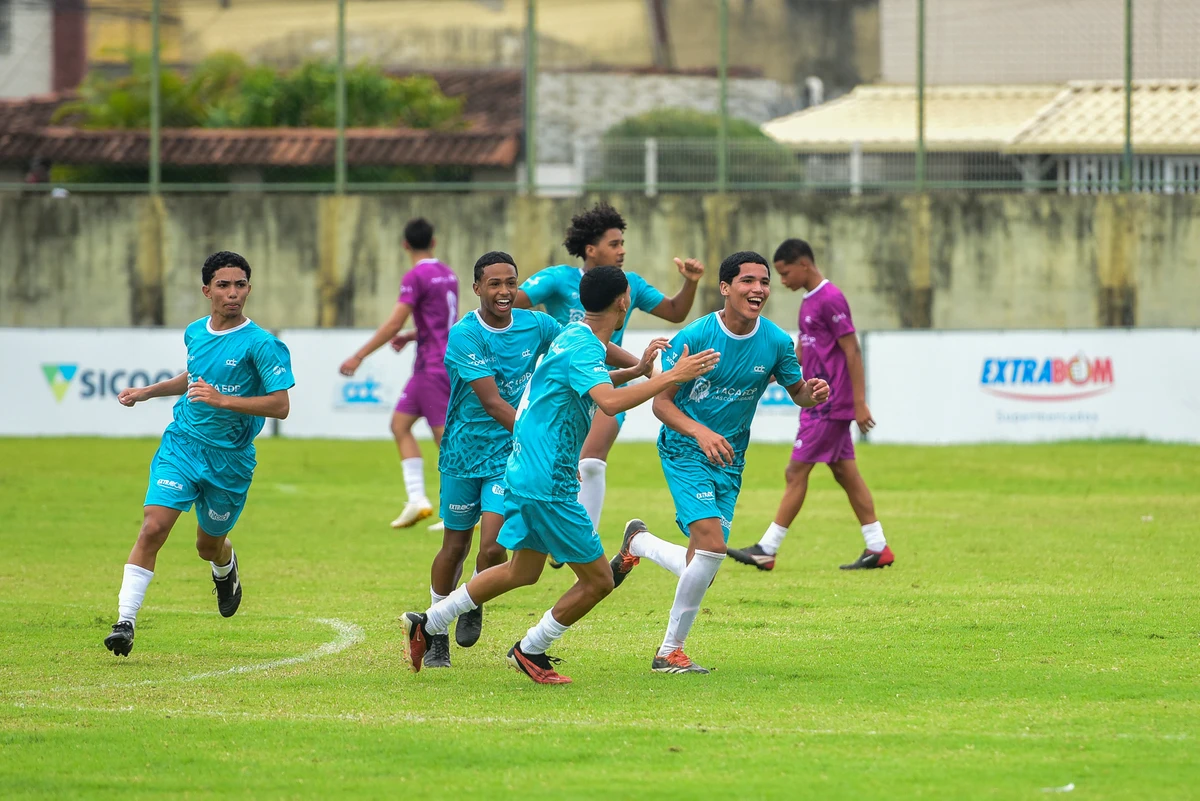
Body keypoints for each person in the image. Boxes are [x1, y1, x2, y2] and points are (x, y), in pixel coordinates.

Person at [401, 266, 718, 684]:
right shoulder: (583, 346)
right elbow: (607, 401)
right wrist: (672, 376)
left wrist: (639, 371)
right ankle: (531, 649)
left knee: (522, 572)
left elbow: (594, 384)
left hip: (529, 471)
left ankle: (428, 622)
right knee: (600, 580)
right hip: (547, 481)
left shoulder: (573, 336)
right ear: (624, 300)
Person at [608, 251, 830, 674]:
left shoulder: (777, 342)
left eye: (764, 282)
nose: (759, 289)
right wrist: (700, 432)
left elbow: (797, 390)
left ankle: (639, 543)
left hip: (730, 459)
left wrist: (811, 394)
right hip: (684, 448)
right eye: (748, 281)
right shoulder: (695, 336)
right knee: (711, 547)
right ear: (726, 288)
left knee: (704, 566)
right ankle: (669, 652)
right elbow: (661, 405)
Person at [425, 252, 644, 668]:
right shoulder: (465, 334)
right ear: (477, 289)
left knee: (492, 548)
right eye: (494, 284)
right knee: (455, 545)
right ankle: (438, 630)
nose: (505, 291)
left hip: (511, 455)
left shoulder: (542, 325)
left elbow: (584, 348)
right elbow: (491, 402)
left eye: (511, 282)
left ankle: (466, 604)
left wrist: (640, 367)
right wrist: (538, 439)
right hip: (466, 450)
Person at [103, 251, 295, 657]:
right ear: (207, 290)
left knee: (207, 546)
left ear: (249, 289)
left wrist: (224, 401)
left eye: (240, 285)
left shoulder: (262, 344)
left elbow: (280, 406)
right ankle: (125, 622)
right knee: (154, 527)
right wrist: (148, 392)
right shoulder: (194, 331)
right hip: (183, 445)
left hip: (231, 459)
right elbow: (194, 376)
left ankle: (224, 565)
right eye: (223, 285)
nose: (233, 293)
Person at [514, 202, 705, 542]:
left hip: (604, 384)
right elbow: (510, 304)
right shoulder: (558, 280)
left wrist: (689, 283)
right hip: (559, 388)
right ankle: (552, 537)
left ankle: (581, 537)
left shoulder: (628, 285)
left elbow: (675, 312)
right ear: (591, 249)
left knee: (589, 462)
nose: (622, 250)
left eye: (622, 243)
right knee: (546, 465)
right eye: (614, 244)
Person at [727, 239, 894, 572]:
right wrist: (770, 373)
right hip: (818, 400)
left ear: (804, 264)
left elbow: (852, 350)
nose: (780, 282)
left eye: (784, 273)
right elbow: (803, 352)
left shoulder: (831, 298)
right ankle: (878, 547)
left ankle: (767, 549)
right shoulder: (808, 301)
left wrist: (859, 403)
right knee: (846, 472)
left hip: (828, 402)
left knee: (795, 471)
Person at [339, 218, 457, 531]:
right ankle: (417, 499)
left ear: (405, 245)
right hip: (434, 362)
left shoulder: (415, 275)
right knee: (400, 424)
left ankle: (458, 510)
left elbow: (392, 323)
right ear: (434, 242)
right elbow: (441, 323)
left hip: (433, 366)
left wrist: (358, 355)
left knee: (444, 438)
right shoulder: (448, 274)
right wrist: (413, 335)